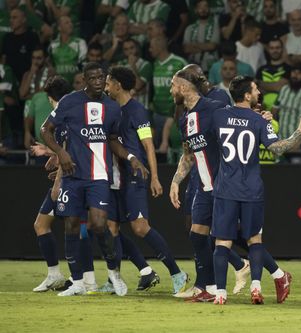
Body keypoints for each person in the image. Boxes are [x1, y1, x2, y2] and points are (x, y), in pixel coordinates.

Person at [40, 62, 148, 297]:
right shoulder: (70, 101)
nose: (98, 81)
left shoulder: (112, 108)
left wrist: (131, 157)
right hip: (73, 176)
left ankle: (114, 274)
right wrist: (61, 152)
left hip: (99, 176)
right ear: (85, 80)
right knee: (71, 225)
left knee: (99, 225)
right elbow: (45, 130)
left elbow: (112, 139)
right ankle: (78, 281)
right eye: (93, 77)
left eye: (102, 77)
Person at [209, 76, 301, 304]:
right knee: (254, 240)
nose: (259, 92)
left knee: (222, 243)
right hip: (251, 190)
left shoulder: (219, 115)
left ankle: (220, 294)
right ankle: (256, 288)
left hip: (225, 189)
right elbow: (278, 149)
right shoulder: (259, 121)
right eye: (255, 89)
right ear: (247, 95)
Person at [104, 66, 188, 293]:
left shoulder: (137, 111)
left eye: (108, 82)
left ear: (118, 85)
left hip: (134, 177)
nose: (105, 87)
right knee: (110, 228)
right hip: (114, 178)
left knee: (140, 228)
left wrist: (155, 178)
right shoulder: (110, 109)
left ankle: (177, 273)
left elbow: (148, 146)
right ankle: (116, 279)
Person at [169, 69, 249, 301]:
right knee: (197, 236)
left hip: (223, 185)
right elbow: (188, 155)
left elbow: (240, 121)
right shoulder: (184, 119)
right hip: (204, 188)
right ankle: (209, 288)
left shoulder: (214, 108)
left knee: (239, 236)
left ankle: (275, 272)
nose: (171, 90)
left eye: (173, 85)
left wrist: (259, 118)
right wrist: (175, 181)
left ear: (183, 88)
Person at [31, 75, 72, 292]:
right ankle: (56, 275)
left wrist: (58, 180)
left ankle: (84, 278)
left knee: (88, 228)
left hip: (69, 181)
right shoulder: (71, 111)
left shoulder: (60, 116)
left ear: (49, 98)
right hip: (69, 176)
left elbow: (69, 148)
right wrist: (54, 155)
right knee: (42, 224)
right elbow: (67, 147)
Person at [149, 36, 187, 156]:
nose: (149, 49)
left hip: (175, 114)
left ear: (160, 47)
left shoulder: (179, 62)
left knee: (177, 150)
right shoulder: (154, 64)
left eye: (152, 46)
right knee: (160, 151)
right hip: (157, 113)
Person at [272, 63, 301, 158]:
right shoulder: (284, 90)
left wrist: (299, 141)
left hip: (299, 145)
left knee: (297, 170)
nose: (295, 75)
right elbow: (274, 112)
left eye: (299, 73)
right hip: (282, 142)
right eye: (293, 72)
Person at [183, 0, 220, 72]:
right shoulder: (189, 28)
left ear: (209, 9)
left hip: (210, 67)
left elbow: (212, 46)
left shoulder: (215, 27)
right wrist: (205, 46)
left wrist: (193, 45)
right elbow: (186, 49)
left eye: (205, 6)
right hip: (193, 68)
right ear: (195, 10)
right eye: (200, 7)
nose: (203, 9)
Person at [48, 16, 87, 84]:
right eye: (67, 23)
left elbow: (84, 64)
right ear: (59, 28)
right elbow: (50, 65)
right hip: (57, 85)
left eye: (71, 22)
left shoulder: (80, 43)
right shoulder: (52, 45)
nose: (71, 24)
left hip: (75, 85)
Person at [255, 38, 290, 111]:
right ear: (268, 49)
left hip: (282, 110)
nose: (275, 51)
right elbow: (257, 91)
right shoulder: (261, 69)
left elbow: (279, 88)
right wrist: (274, 87)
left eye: (277, 48)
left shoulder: (288, 68)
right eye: (272, 48)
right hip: (263, 110)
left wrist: (259, 83)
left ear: (282, 49)